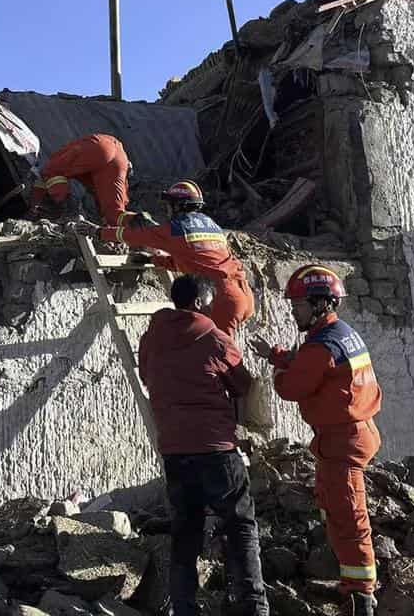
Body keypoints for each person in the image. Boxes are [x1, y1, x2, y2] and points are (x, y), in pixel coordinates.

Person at [248, 265, 383, 616]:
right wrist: (277, 355)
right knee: (336, 508)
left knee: (349, 518)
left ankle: (361, 596)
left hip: (343, 441)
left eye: (298, 305)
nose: (294, 311)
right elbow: (310, 362)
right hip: (350, 434)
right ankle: (353, 587)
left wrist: (277, 371)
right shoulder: (338, 334)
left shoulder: (322, 346)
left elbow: (292, 386)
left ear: (320, 303)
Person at [138, 274, 269, 616]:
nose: (212, 310)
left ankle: (184, 608)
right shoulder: (215, 339)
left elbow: (145, 374)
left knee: (185, 533)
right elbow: (242, 385)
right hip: (216, 449)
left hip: (175, 451)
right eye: (209, 304)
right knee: (240, 526)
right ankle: (253, 607)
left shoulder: (151, 337)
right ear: (198, 303)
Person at [83, 179, 255, 333]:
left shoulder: (176, 229)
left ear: (177, 206)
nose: (167, 210)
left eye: (168, 205)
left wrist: (98, 232)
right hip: (243, 294)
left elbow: (134, 235)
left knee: (217, 359)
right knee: (216, 356)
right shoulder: (211, 226)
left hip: (222, 299)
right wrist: (154, 260)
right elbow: (195, 261)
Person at [28, 133, 149, 226]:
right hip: (120, 157)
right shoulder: (89, 173)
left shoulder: (58, 158)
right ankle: (144, 225)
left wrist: (33, 206)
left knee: (50, 172)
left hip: (98, 146)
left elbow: (44, 175)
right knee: (114, 213)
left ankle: (70, 212)